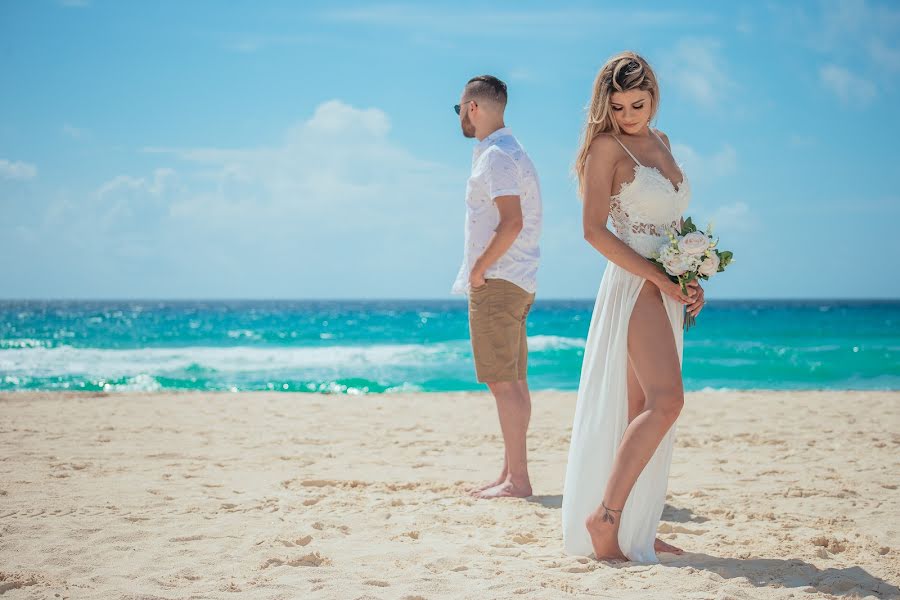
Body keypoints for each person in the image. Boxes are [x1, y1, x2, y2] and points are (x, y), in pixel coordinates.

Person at [562, 52, 706, 561]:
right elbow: (593, 230)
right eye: (618, 106)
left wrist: (690, 276)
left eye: (637, 104)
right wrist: (660, 280)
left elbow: (670, 225)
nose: (628, 115)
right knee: (667, 402)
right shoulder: (606, 147)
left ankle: (636, 527)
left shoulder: (662, 143)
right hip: (636, 284)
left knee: (638, 411)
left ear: (655, 97)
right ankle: (606, 518)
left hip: (666, 283)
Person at [451, 75, 543, 499]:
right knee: (513, 380)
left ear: (473, 107)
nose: (461, 118)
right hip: (515, 279)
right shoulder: (510, 152)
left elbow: (513, 221)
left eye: (459, 109)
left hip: (499, 280)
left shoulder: (497, 157)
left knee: (503, 383)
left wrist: (478, 270)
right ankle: (510, 473)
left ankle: (518, 481)